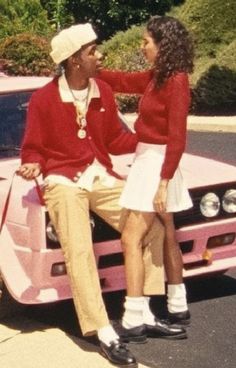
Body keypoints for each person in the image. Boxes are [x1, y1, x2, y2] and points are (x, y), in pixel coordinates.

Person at [17, 23, 185, 367]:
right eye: (93, 51)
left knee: (149, 224)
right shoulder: (44, 99)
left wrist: (155, 142)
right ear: (75, 60)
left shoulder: (102, 91)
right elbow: (32, 148)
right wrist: (33, 164)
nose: (100, 55)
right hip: (63, 181)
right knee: (79, 248)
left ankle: (143, 312)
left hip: (99, 175)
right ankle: (103, 329)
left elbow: (115, 140)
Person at [98, 15, 194, 333]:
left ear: (163, 46)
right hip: (152, 161)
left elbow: (178, 137)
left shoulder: (177, 80)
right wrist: (93, 71)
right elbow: (124, 81)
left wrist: (164, 182)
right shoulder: (157, 77)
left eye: (146, 42)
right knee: (168, 230)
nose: (142, 47)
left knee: (130, 237)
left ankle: (134, 316)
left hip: (157, 164)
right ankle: (178, 305)